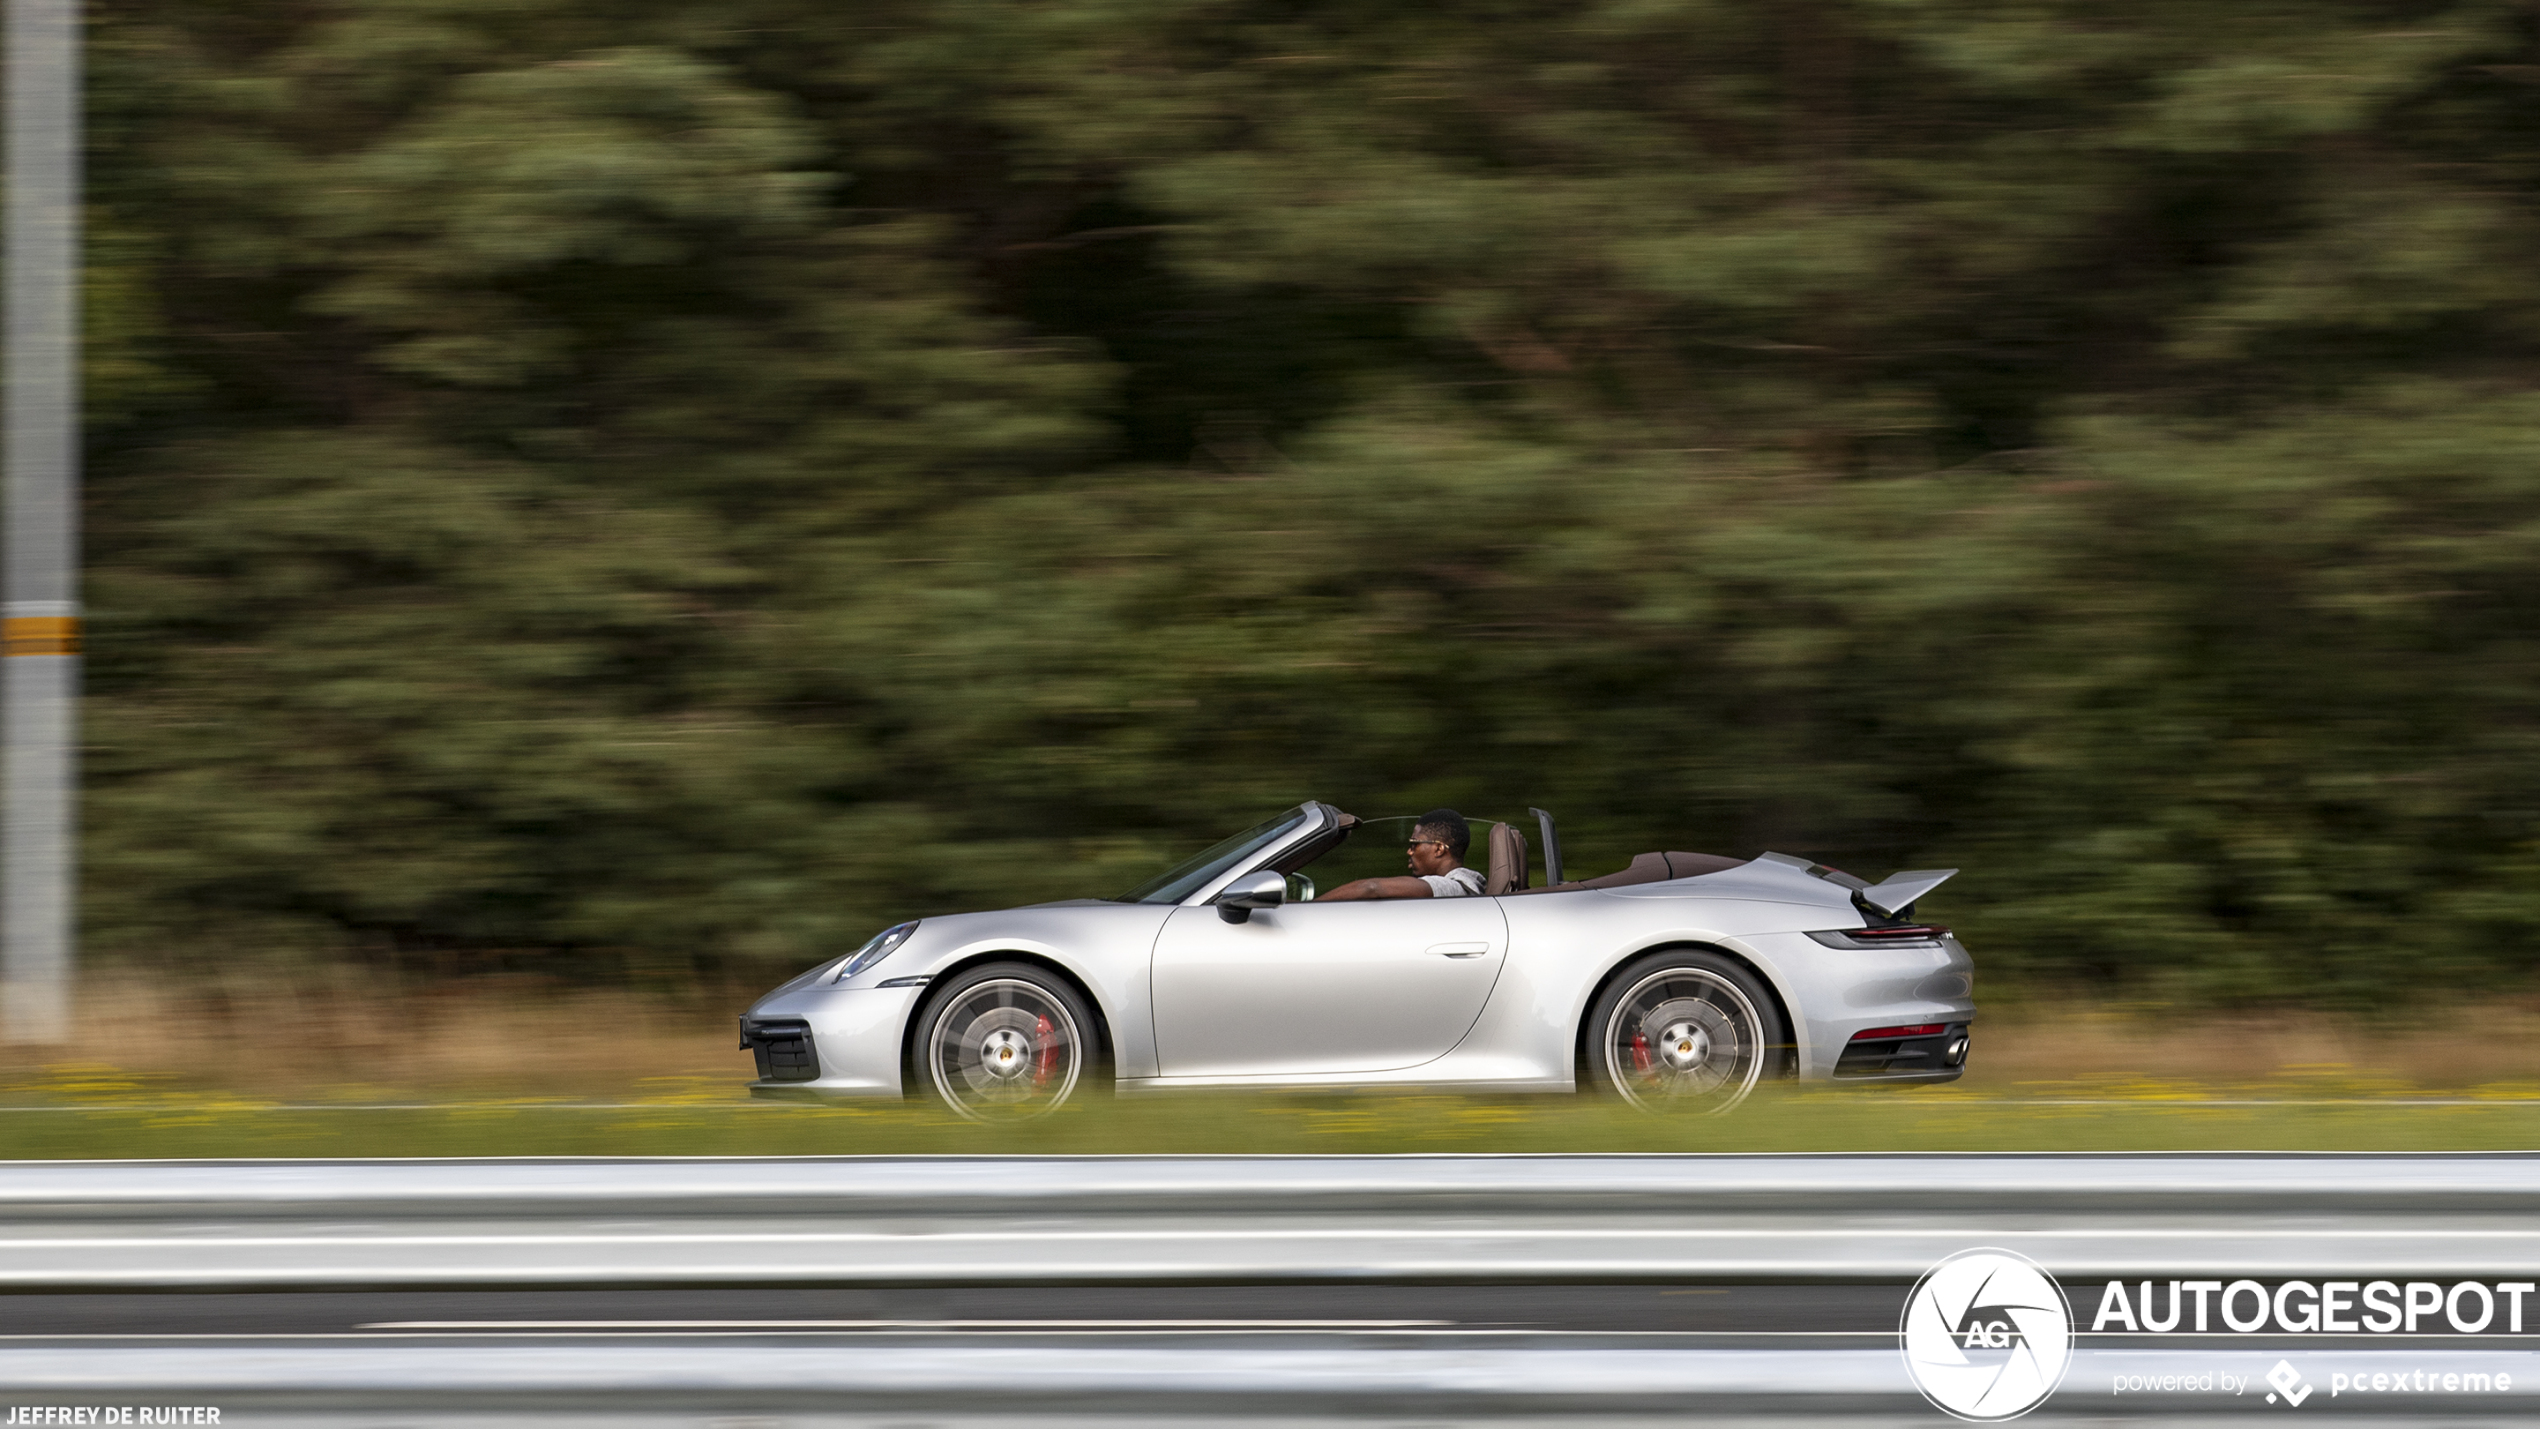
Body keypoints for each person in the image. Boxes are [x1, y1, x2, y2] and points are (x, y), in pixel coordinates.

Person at [1316, 809, 1486, 900]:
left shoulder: (1455, 889)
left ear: (1439, 849)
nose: (1409, 851)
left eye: (1415, 844)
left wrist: (1312, 907)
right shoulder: (1464, 890)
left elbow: (1371, 888)